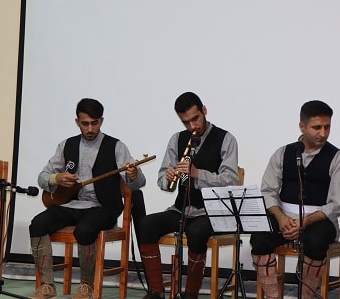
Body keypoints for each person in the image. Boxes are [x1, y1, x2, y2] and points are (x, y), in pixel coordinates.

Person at [29, 98, 146, 299]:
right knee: (37, 224)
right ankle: (47, 285)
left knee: (85, 230)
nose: (90, 128)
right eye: (85, 124)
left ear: (101, 121)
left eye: (95, 123)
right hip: (72, 205)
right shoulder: (66, 145)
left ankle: (86, 285)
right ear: (77, 122)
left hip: (103, 207)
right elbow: (42, 177)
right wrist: (56, 178)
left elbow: (138, 184)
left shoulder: (116, 146)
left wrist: (134, 175)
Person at [138, 91, 239, 299]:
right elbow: (163, 183)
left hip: (211, 212)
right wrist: (168, 177)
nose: (192, 126)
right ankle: (156, 291)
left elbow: (230, 180)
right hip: (181, 209)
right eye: (186, 122)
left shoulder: (226, 139)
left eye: (195, 119)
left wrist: (197, 174)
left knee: (197, 232)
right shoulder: (177, 139)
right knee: (146, 224)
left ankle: (191, 294)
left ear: (204, 111)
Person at [250, 100, 340, 299]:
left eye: (327, 127)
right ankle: (272, 295)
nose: (323, 133)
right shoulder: (283, 153)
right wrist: (280, 217)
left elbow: (337, 204)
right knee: (259, 238)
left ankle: (306, 295)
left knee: (315, 242)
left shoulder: (339, 158)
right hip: (284, 218)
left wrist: (304, 222)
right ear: (302, 126)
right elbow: (268, 191)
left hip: (319, 220)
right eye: (317, 127)